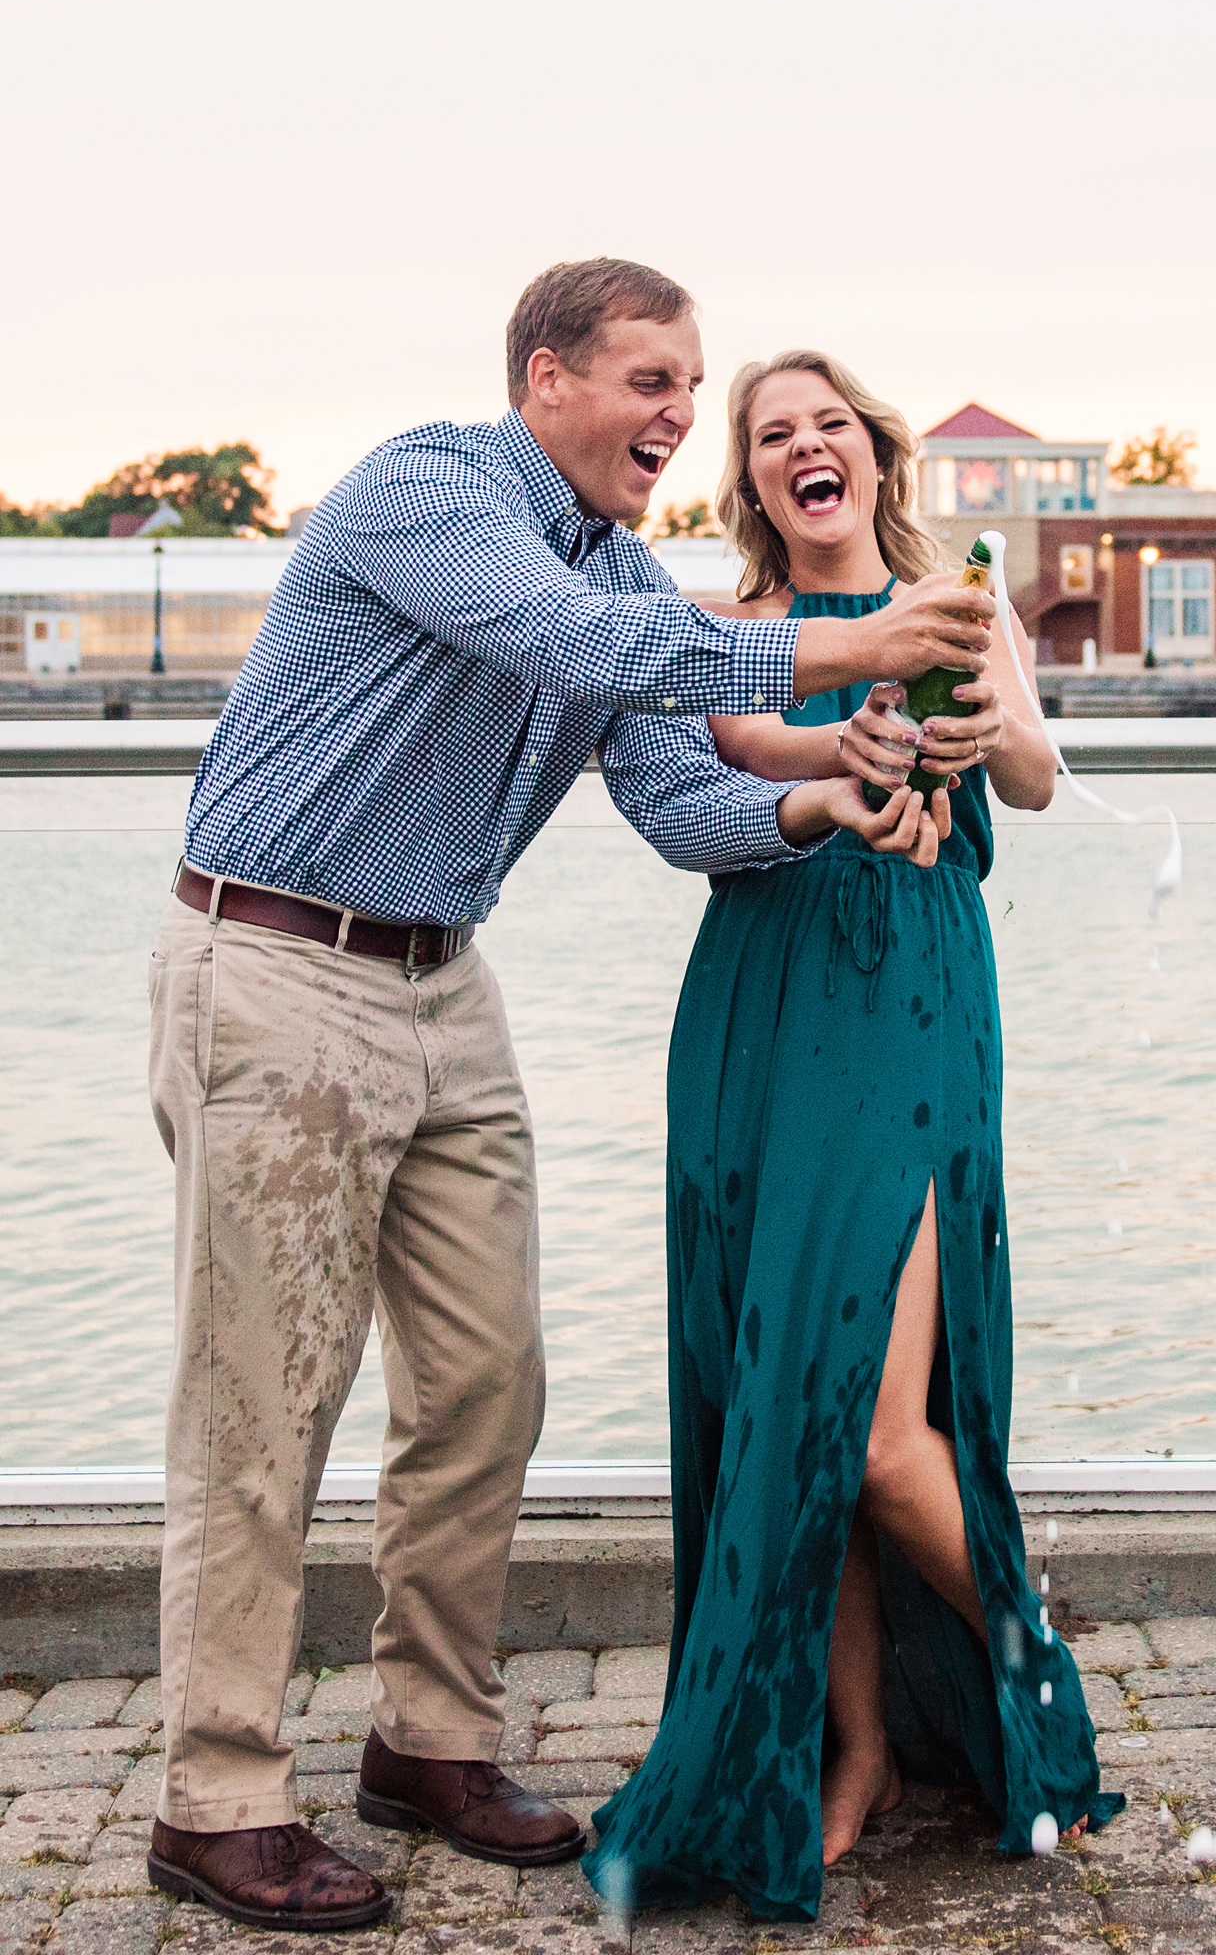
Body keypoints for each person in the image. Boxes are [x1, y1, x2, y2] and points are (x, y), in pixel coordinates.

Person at [144, 264, 972, 1934]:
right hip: (279, 967)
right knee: (263, 1400)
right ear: (547, 380)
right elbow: (571, 641)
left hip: (445, 980)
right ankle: (213, 1795)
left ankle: (429, 1741)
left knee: (485, 1384)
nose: (682, 417)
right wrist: (850, 636)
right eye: (654, 384)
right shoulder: (429, 494)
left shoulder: (617, 569)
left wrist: (840, 774)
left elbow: (680, 792)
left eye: (689, 388)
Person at [585, 350, 1124, 1922]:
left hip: (907, 1007)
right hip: (760, 1010)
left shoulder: (957, 599)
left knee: (886, 1433)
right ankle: (858, 1753)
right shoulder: (735, 633)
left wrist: (964, 742)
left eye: (826, 426)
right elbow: (736, 753)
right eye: (770, 437)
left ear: (873, 457)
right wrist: (847, 745)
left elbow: (1030, 776)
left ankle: (1036, 1670)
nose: (800, 449)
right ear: (751, 481)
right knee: (789, 1387)